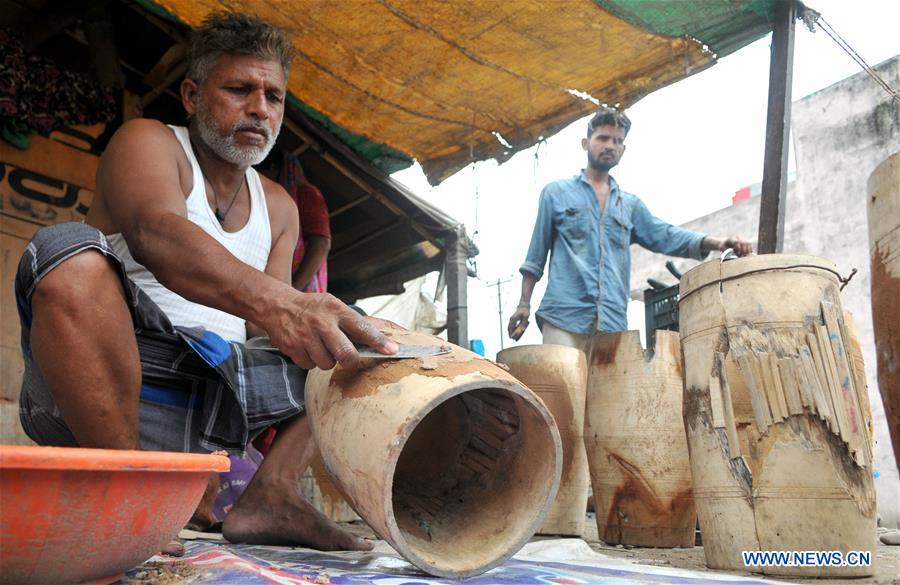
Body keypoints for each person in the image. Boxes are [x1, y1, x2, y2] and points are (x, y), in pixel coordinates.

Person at [14, 12, 398, 552]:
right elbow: (157, 236)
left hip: (209, 407)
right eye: (240, 89)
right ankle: (129, 496)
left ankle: (272, 494)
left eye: (274, 97)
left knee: (364, 338)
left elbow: (266, 338)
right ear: (192, 95)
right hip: (105, 398)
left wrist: (311, 331)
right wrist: (286, 306)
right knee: (65, 252)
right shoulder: (148, 142)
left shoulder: (282, 207)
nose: (260, 108)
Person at [507, 108, 752, 352]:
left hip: (612, 323)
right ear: (585, 143)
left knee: (608, 391)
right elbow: (535, 256)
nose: (610, 145)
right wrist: (524, 304)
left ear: (623, 149)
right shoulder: (555, 193)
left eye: (618, 141)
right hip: (563, 316)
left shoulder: (629, 205)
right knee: (562, 388)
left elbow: (665, 234)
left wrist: (719, 243)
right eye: (603, 138)